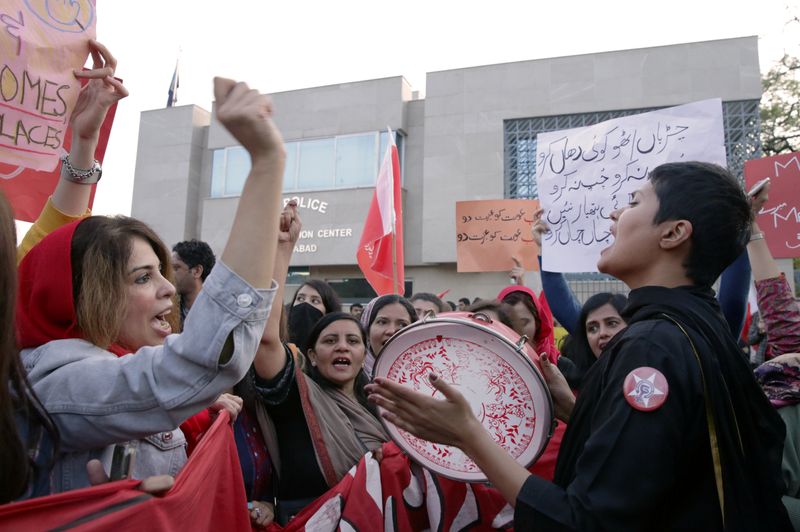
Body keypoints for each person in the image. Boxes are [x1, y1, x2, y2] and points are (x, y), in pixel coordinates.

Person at [369, 161, 791, 530]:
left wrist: (466, 435)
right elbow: (677, 456)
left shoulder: (653, 348)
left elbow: (586, 521)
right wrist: (574, 407)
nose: (614, 213)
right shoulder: (697, 326)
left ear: (674, 232)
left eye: (633, 202)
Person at [16, 75, 285, 493]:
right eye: (143, 277)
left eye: (162, 271)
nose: (168, 289)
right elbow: (198, 363)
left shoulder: (119, 365)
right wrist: (267, 164)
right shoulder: (58, 382)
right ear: (83, 298)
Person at [247, 217, 388, 523]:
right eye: (330, 341)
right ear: (311, 355)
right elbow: (267, 340)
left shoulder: (383, 410)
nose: (342, 347)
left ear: (364, 354)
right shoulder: (297, 398)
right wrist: (283, 248)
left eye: (352, 341)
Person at [359, 294, 418, 375]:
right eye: (382, 322)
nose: (391, 331)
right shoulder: (348, 380)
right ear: (367, 332)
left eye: (402, 325)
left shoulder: (428, 378)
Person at [287, 279, 341, 354]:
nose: (305, 303)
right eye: (300, 298)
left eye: (315, 301)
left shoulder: (335, 350)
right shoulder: (280, 344)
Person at [171, 239, 216, 325]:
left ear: (196, 271)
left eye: (176, 268)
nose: (170, 273)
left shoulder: (217, 315)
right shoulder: (168, 309)